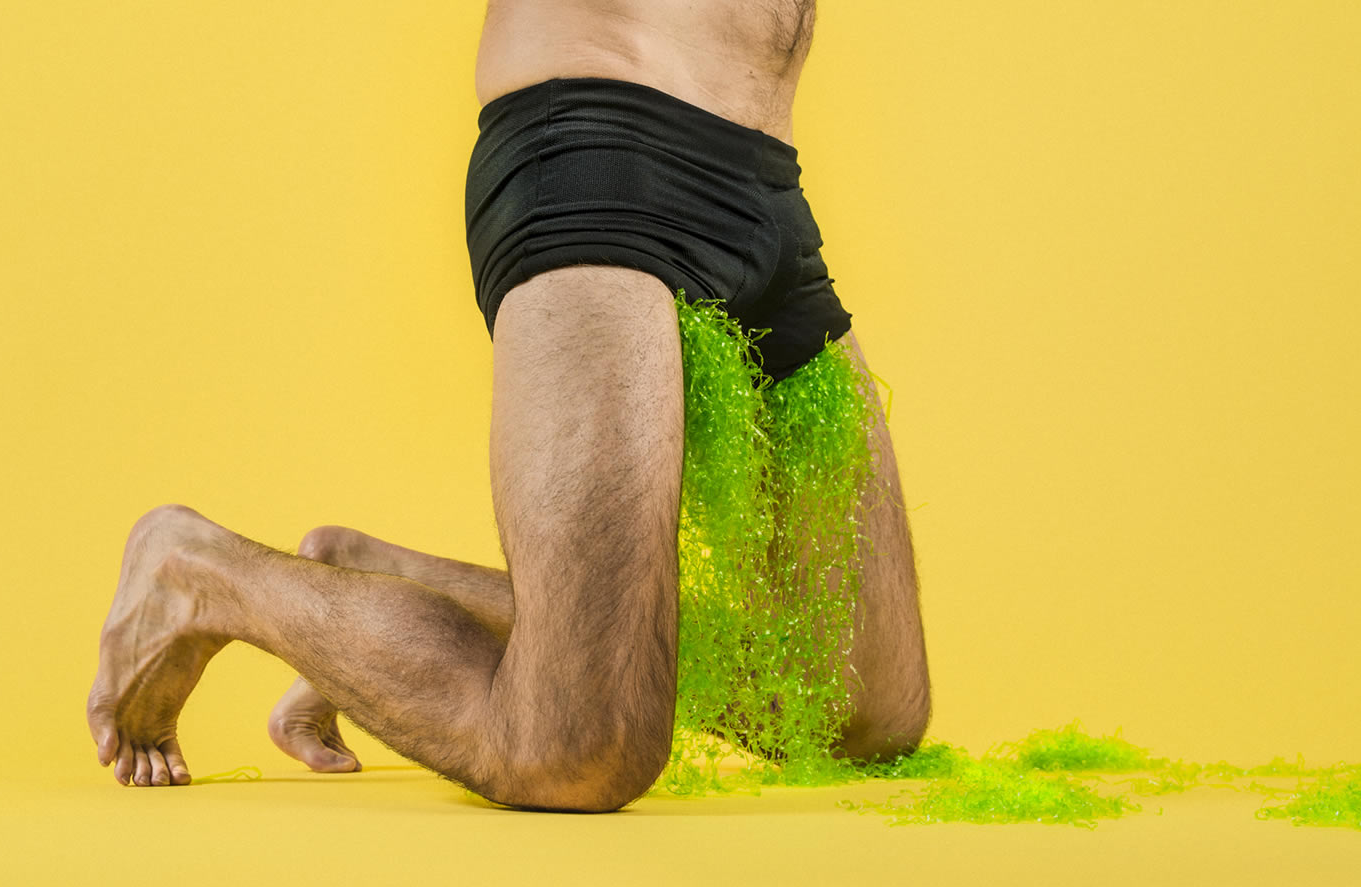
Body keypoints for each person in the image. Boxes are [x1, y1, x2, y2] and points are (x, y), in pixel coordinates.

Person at [86, 0, 930, 812]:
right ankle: (203, 573)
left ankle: (372, 582)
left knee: (864, 709)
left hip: (769, 186)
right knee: (578, 750)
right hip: (605, 154)